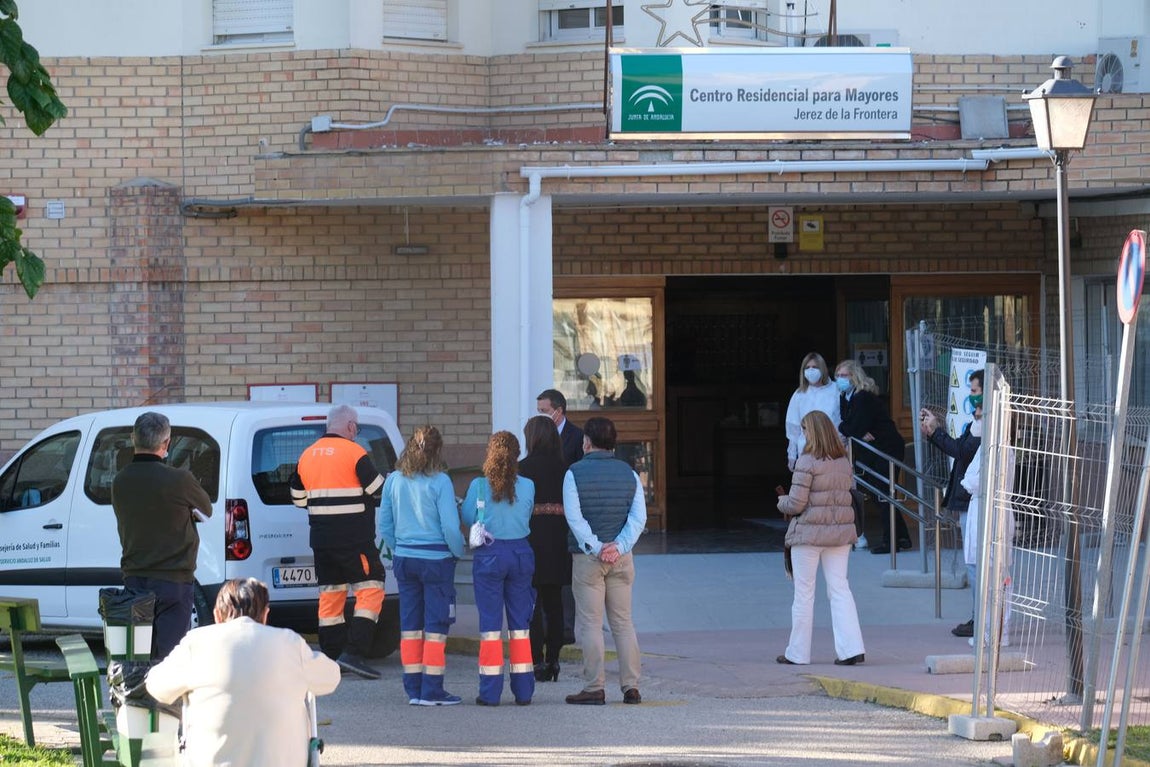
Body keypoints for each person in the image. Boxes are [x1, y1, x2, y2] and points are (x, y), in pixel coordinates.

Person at [145, 578, 340, 767]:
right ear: (265, 614)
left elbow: (156, 686)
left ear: (216, 615)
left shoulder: (197, 643)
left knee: (155, 746)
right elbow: (331, 677)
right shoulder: (289, 643)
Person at [289, 404, 385, 680]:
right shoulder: (356, 453)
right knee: (372, 587)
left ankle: (331, 658)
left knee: (331, 597)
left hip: (321, 540)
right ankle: (354, 653)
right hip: (355, 539)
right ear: (351, 427)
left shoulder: (306, 455)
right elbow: (379, 491)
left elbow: (298, 499)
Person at [111, 411, 213, 661]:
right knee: (170, 662)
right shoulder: (180, 480)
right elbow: (206, 512)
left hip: (135, 581)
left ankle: (138, 700)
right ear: (166, 443)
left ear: (133, 438)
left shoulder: (119, 481)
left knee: (137, 660)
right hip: (173, 582)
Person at [377, 425, 465, 706]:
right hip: (436, 560)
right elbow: (450, 527)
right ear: (437, 450)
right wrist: (457, 550)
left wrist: (397, 547)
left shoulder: (393, 480)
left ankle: (413, 688)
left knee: (410, 626)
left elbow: (384, 525)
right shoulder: (440, 481)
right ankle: (432, 689)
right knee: (436, 625)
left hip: (405, 558)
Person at [562, 416, 646, 705]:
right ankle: (631, 686)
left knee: (591, 623)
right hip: (622, 558)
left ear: (586, 442)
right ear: (613, 442)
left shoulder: (574, 473)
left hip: (588, 558)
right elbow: (639, 518)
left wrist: (597, 547)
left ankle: (594, 686)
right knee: (623, 622)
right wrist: (619, 546)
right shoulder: (630, 473)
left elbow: (574, 518)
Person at [775, 410, 866, 666]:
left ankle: (798, 653)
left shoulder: (807, 461)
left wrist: (781, 502)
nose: (802, 435)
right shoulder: (843, 461)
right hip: (839, 535)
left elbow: (796, 503)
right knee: (840, 589)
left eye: (804, 431)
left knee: (804, 594)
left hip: (809, 536)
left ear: (811, 432)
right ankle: (851, 649)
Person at [460, 431, 536, 706]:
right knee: (520, 627)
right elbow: (526, 514)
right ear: (517, 455)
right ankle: (524, 691)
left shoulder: (479, 485)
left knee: (490, 628)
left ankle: (490, 693)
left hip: (489, 556)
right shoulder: (528, 485)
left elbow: (468, 516)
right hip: (520, 553)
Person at [919, 369, 983, 637]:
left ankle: (982, 618)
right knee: (973, 562)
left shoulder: (988, 425)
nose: (971, 395)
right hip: (968, 501)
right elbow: (960, 448)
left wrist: (935, 431)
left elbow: (962, 451)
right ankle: (978, 616)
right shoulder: (975, 423)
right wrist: (935, 431)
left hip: (977, 502)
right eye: (969, 389)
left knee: (976, 563)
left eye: (975, 391)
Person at [834, 359, 911, 555]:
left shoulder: (863, 397)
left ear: (854, 376)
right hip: (872, 450)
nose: (840, 379)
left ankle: (891, 541)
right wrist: (854, 430)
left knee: (883, 493)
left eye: (845, 375)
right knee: (879, 492)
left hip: (887, 448)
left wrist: (854, 430)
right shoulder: (846, 396)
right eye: (838, 376)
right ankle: (902, 537)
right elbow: (849, 424)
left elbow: (852, 427)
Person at [518, 415, 571, 683]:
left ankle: (536, 660)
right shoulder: (566, 468)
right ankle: (554, 660)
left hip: (531, 538)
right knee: (555, 603)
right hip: (559, 539)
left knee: (533, 603)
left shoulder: (522, 468)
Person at [962, 436, 1016, 649]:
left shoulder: (1001, 449)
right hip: (985, 515)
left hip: (994, 518)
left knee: (997, 578)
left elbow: (975, 481)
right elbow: (972, 478)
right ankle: (988, 631)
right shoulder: (987, 447)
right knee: (985, 576)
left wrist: (969, 481)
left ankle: (997, 632)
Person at [785, 352, 841, 472]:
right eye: (807, 367)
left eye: (815, 367)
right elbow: (793, 427)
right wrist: (791, 454)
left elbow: (843, 419)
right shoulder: (799, 394)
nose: (811, 370)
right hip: (806, 451)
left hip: (832, 450)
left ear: (822, 369)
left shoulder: (836, 390)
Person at [537, 388, 585, 467]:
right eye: (539, 411)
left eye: (544, 411)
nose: (541, 415)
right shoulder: (537, 434)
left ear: (559, 411)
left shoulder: (578, 436)